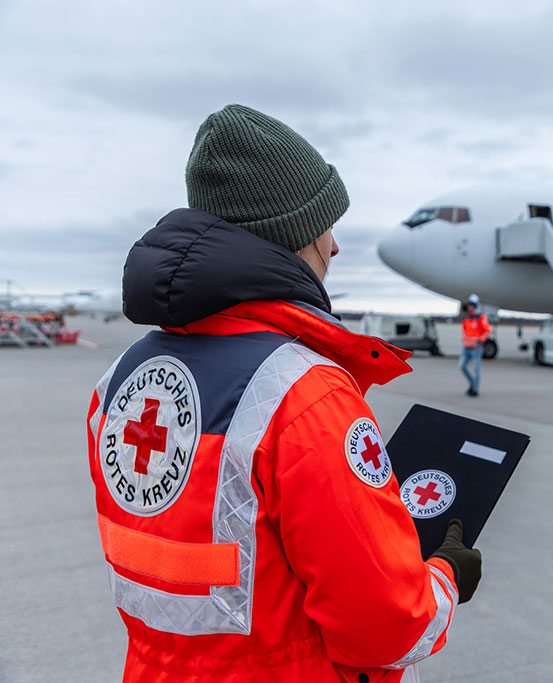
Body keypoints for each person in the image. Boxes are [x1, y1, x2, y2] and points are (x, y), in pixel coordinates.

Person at [85, 104, 481, 682]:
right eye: (326, 226)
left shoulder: (120, 377)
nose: (336, 247)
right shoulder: (303, 395)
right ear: (291, 234)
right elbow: (386, 626)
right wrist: (443, 577)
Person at [460, 294, 491, 396]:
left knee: (476, 369)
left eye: (471, 305)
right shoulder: (466, 317)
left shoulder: (481, 317)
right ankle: (473, 383)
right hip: (466, 347)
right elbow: (465, 331)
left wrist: (479, 342)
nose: (469, 307)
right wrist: (464, 341)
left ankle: (475, 389)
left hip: (476, 348)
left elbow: (487, 332)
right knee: (462, 367)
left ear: (474, 306)